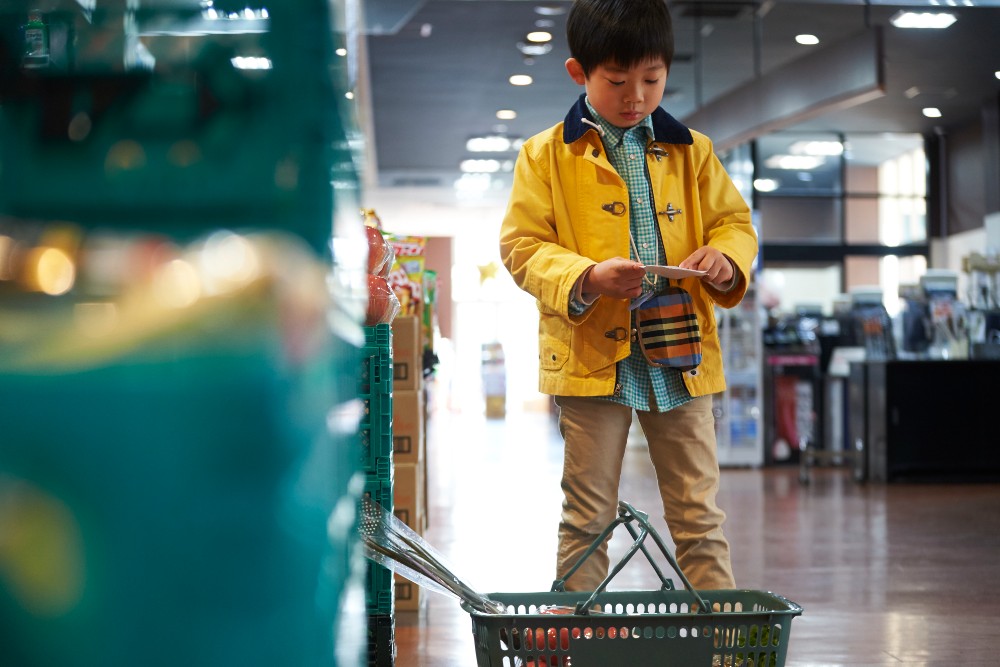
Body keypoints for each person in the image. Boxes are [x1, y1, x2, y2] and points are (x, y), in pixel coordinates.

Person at [498, 0, 758, 593]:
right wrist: (587, 276)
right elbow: (521, 247)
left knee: (699, 517)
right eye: (617, 80)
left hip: (681, 353)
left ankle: (723, 647)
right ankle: (570, 646)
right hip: (593, 358)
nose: (636, 95)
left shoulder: (694, 150)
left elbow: (735, 225)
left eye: (652, 78)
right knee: (586, 517)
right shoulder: (544, 155)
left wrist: (725, 257)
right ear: (578, 72)